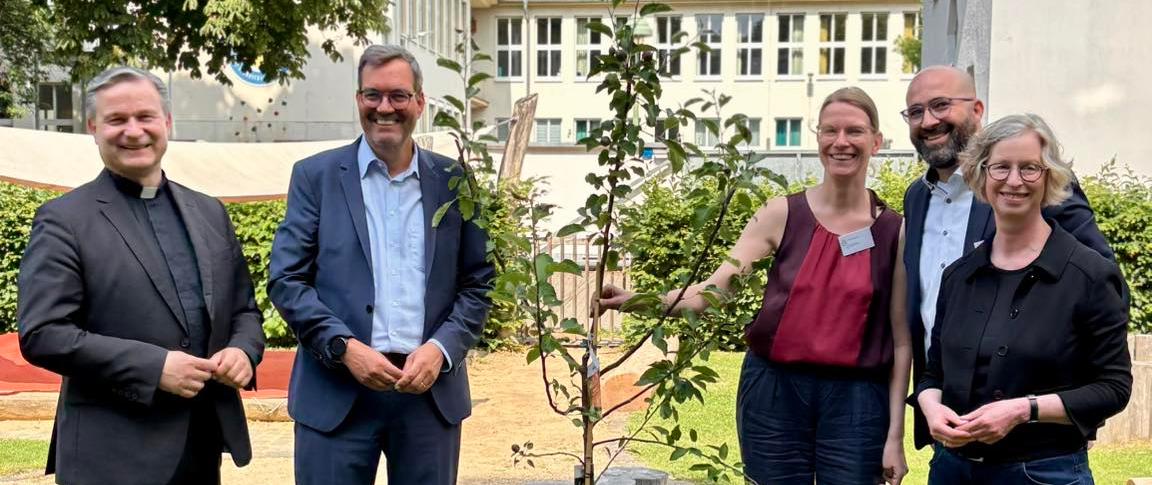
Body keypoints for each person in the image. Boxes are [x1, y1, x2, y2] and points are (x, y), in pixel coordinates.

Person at [600, 87, 911, 485]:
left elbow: (902, 341)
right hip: (774, 392)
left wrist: (895, 436)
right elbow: (712, 291)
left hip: (856, 400)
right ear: (818, 138)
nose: (841, 142)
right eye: (830, 131)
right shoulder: (781, 213)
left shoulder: (895, 232)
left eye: (855, 131)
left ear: (877, 141)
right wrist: (637, 301)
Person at [17, 66, 265, 485]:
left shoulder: (210, 212)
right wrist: (154, 367)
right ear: (93, 128)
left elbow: (244, 311)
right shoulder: (64, 220)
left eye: (146, 117)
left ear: (167, 122)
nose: (134, 131)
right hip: (110, 456)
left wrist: (243, 351)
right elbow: (43, 333)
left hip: (201, 448)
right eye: (117, 120)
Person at [268, 44, 494, 485]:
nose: (384, 107)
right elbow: (287, 279)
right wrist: (344, 348)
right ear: (358, 100)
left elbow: (478, 282)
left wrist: (442, 349)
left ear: (420, 103)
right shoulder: (315, 177)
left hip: (429, 397)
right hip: (336, 393)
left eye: (398, 96)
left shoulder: (455, 182)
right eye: (372, 95)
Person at [900, 65, 1115, 449]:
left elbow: (1099, 285)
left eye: (940, 105)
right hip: (950, 426)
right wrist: (930, 400)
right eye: (915, 112)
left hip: (1034, 439)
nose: (928, 121)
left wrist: (1055, 396)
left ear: (977, 109)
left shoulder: (1028, 182)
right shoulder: (916, 198)